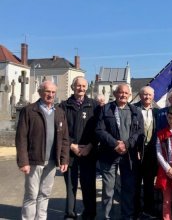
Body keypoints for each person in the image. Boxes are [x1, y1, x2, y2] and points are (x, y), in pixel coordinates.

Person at [16, 80, 70, 220]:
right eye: (47, 91)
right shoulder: (29, 110)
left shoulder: (59, 112)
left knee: (45, 194)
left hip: (52, 161)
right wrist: (23, 161)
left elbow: (64, 139)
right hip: (34, 160)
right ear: (40, 92)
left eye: (53, 92)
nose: (50, 95)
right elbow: (21, 137)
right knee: (31, 195)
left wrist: (64, 159)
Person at [96, 83, 145, 220]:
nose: (123, 95)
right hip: (109, 154)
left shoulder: (135, 111)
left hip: (128, 156)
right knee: (108, 189)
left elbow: (139, 132)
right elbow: (100, 130)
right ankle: (107, 216)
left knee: (128, 188)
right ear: (115, 93)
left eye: (126, 93)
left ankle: (127, 216)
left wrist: (127, 144)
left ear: (129, 95)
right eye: (120, 92)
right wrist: (115, 143)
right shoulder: (106, 109)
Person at [59, 76, 98, 220]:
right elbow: (60, 130)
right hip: (70, 152)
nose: (81, 88)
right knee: (71, 185)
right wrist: (71, 145)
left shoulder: (94, 106)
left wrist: (90, 145)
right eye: (78, 85)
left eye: (83, 86)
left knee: (88, 185)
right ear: (73, 87)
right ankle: (70, 214)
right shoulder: (64, 106)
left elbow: (98, 129)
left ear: (86, 88)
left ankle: (89, 214)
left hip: (89, 151)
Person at [133, 86, 159, 218]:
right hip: (137, 150)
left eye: (149, 95)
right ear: (140, 95)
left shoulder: (158, 111)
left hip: (152, 152)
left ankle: (149, 210)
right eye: (144, 95)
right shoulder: (133, 108)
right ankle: (136, 210)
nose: (147, 97)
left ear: (153, 96)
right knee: (136, 183)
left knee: (149, 183)